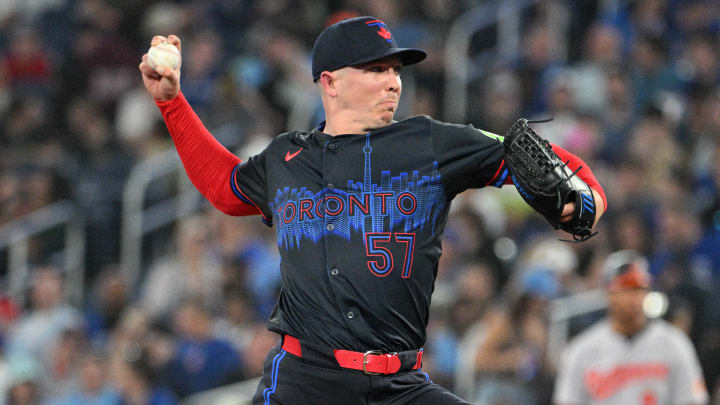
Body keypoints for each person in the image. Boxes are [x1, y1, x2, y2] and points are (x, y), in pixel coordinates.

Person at [139, 16, 606, 404]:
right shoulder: (287, 158)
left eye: (395, 71)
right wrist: (172, 104)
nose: (393, 82)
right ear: (331, 82)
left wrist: (588, 196)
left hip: (400, 383)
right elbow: (225, 186)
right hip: (304, 382)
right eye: (377, 70)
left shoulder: (428, 142)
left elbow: (531, 154)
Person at [553, 250, 709, 405]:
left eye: (638, 289)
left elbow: (691, 399)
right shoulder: (582, 350)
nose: (633, 299)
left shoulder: (674, 343)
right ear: (607, 293)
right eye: (625, 290)